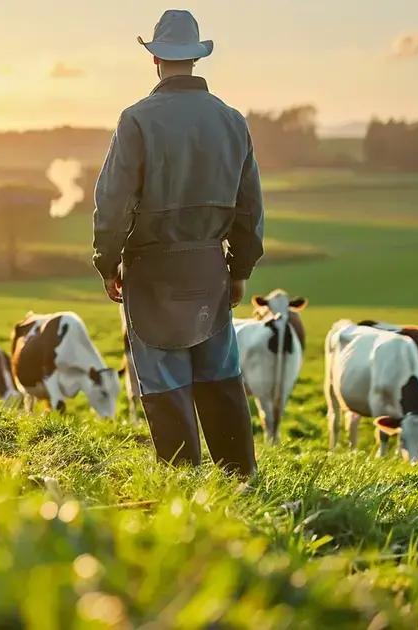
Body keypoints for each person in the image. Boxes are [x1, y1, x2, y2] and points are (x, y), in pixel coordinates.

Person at [92, 9, 264, 476]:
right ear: (196, 58)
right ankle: (240, 479)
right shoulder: (232, 121)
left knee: (163, 382)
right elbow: (250, 208)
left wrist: (107, 263)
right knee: (220, 376)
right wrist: (240, 270)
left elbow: (112, 201)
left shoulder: (135, 120)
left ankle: (182, 485)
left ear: (155, 59)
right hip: (209, 270)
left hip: (150, 274)